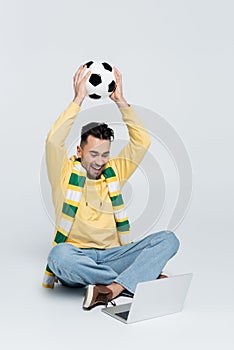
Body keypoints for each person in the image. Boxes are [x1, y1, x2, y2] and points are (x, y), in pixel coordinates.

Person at [42, 64, 180, 310]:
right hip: (78, 256)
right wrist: (78, 99)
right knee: (58, 257)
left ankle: (110, 289)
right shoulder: (63, 172)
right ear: (79, 151)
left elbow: (142, 141)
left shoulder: (114, 171)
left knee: (169, 240)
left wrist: (121, 102)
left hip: (114, 255)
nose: (99, 161)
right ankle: (137, 279)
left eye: (105, 154)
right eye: (93, 153)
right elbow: (53, 140)